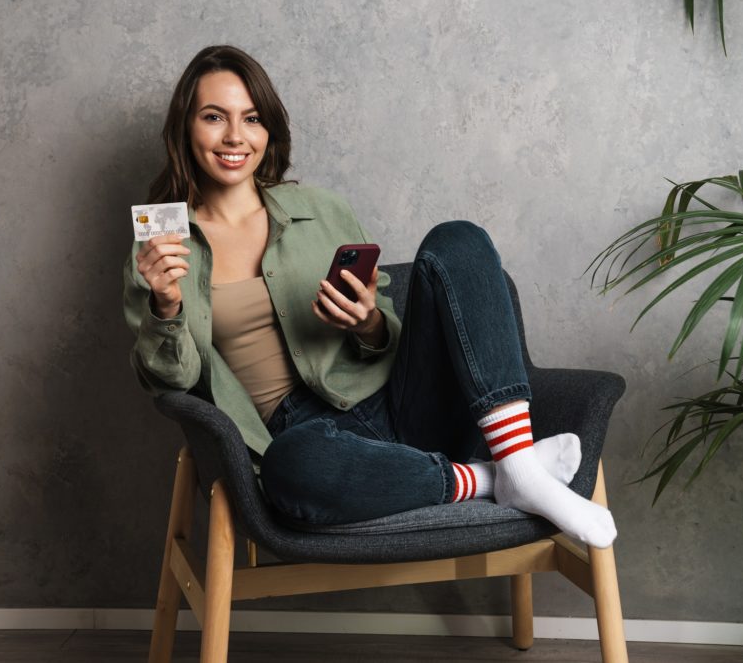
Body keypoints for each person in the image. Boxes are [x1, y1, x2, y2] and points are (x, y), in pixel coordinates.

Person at [123, 45, 617, 548]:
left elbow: (385, 332)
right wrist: (166, 306)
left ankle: (516, 466)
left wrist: (366, 323)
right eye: (213, 117)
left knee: (459, 238)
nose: (234, 136)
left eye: (251, 118)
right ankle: (495, 477)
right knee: (289, 471)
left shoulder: (319, 209)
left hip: (402, 402)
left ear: (268, 129)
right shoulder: (163, 245)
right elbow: (172, 381)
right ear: (185, 126)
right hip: (314, 443)